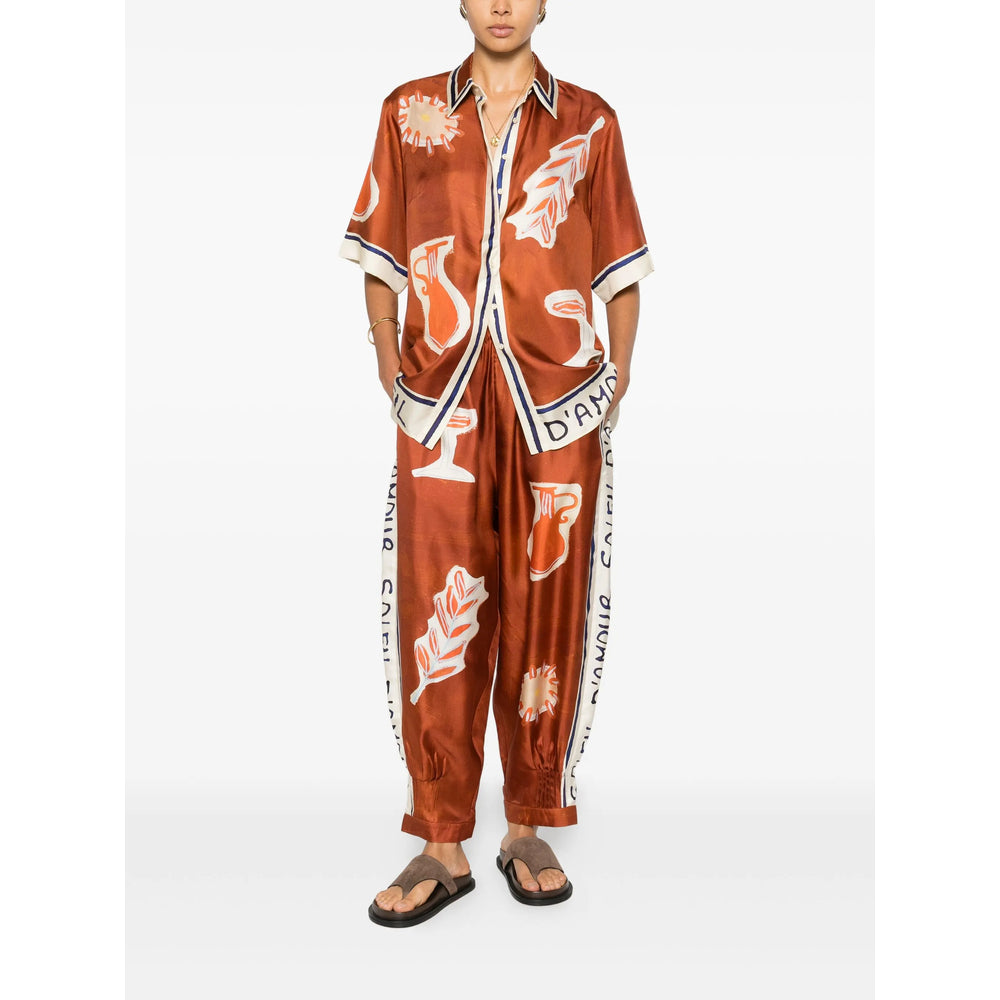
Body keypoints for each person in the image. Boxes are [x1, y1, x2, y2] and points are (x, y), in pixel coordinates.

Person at [340, 0, 653, 927]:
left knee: (545, 606)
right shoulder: (408, 113)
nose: (504, 4)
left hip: (556, 403)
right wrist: (389, 359)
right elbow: (382, 254)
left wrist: (616, 378)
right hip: (442, 401)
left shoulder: (591, 121)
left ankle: (529, 822)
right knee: (437, 608)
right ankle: (441, 840)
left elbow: (620, 266)